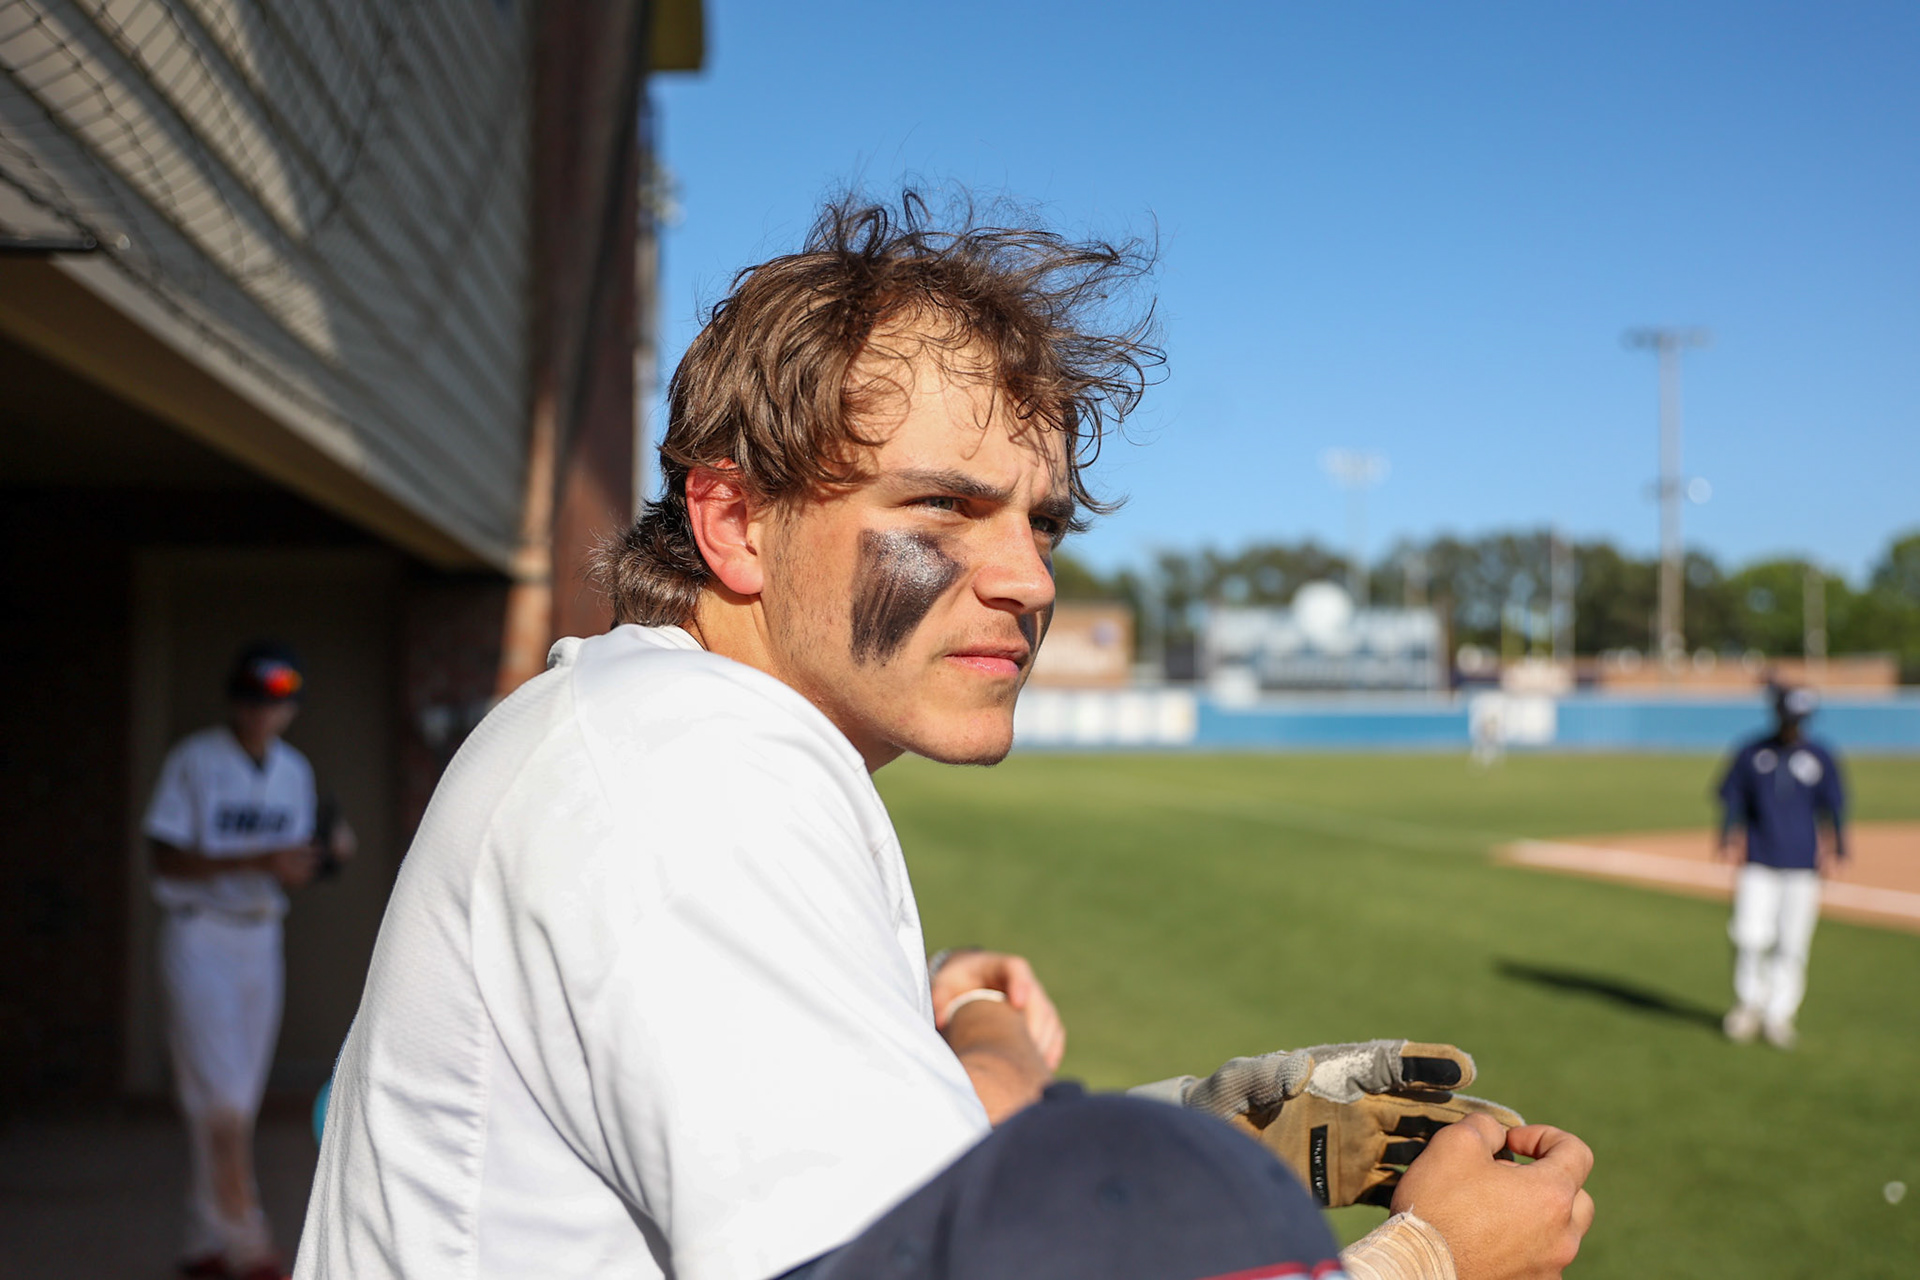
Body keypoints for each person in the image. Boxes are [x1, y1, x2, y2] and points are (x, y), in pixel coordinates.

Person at [295, 195, 1592, 1280]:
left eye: (1043, 522)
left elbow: (897, 1216)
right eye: (944, 508)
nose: (1028, 580)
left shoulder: (664, 726)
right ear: (735, 521)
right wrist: (1428, 1260)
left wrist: (1183, 1140)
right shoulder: (689, 778)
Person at [146, 642, 355, 1280]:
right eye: (255, 699)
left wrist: (325, 857)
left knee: (231, 1098)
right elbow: (165, 858)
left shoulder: (293, 771)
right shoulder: (195, 760)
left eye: (278, 701)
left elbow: (303, 860)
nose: (265, 712)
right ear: (235, 700)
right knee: (224, 1102)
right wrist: (260, 862)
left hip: (260, 938)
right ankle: (249, 1245)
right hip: (200, 934)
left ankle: (203, 1241)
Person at [1715, 682, 1847, 1049]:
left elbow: (1834, 805)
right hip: (1759, 859)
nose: (1792, 725)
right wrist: (1727, 836)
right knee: (1748, 936)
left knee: (1792, 942)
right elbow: (1733, 799)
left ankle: (1779, 1013)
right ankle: (1748, 1005)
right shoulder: (1752, 752)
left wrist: (1839, 848)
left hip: (1803, 864)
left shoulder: (1820, 756)